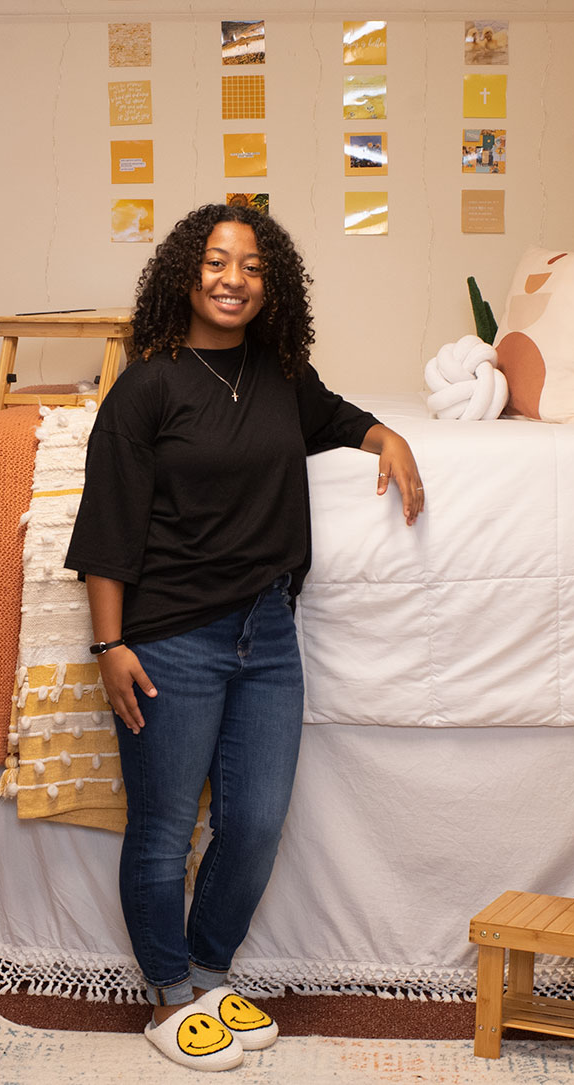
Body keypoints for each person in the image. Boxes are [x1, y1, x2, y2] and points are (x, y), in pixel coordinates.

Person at [64, 203, 423, 1070]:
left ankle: (210, 972)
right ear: (187, 273)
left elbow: (337, 416)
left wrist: (390, 435)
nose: (235, 279)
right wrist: (112, 648)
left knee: (256, 821)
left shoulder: (279, 374)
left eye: (253, 266)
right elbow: (107, 530)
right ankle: (167, 996)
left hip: (268, 630)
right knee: (160, 832)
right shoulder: (145, 386)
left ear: (273, 285)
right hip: (169, 640)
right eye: (218, 262)